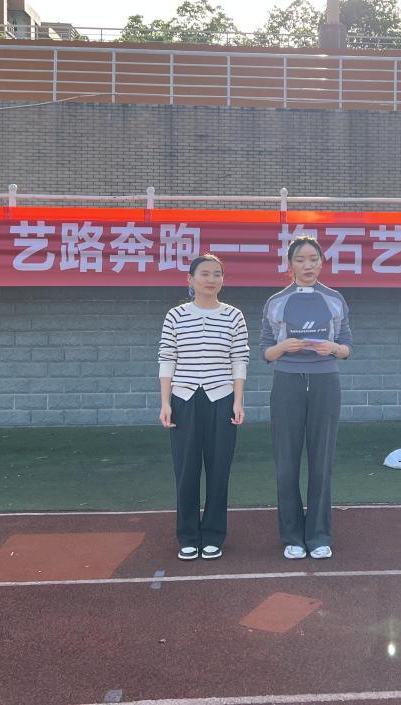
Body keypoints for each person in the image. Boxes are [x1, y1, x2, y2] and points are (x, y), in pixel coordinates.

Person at [260, 235, 352, 561]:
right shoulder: (276, 302)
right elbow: (265, 352)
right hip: (287, 383)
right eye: (300, 259)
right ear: (290, 264)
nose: (307, 265)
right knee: (286, 462)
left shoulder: (334, 299)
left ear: (322, 262)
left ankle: (318, 535)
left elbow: (347, 347)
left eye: (313, 259)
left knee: (321, 461)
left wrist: (334, 349)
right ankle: (292, 536)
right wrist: (283, 347)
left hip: (326, 382)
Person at [159, 254, 249, 561]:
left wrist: (237, 400)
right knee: (186, 470)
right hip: (183, 399)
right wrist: (165, 402)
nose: (211, 279)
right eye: (205, 274)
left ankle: (213, 534)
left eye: (217, 274)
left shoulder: (234, 316)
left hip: (221, 398)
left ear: (223, 280)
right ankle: (187, 535)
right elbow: (167, 358)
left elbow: (239, 359)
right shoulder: (176, 315)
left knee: (218, 469)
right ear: (190, 279)